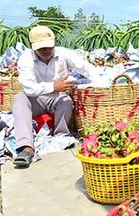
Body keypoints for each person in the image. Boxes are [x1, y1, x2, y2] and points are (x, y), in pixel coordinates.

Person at [12, 25, 96, 167]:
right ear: (33, 47)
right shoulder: (26, 59)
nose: (46, 51)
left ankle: (61, 136)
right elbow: (30, 89)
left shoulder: (63, 53)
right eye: (41, 48)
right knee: (19, 98)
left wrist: (99, 80)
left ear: (54, 44)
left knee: (66, 100)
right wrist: (53, 86)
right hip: (35, 100)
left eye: (49, 47)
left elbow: (84, 67)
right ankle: (26, 147)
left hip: (56, 98)